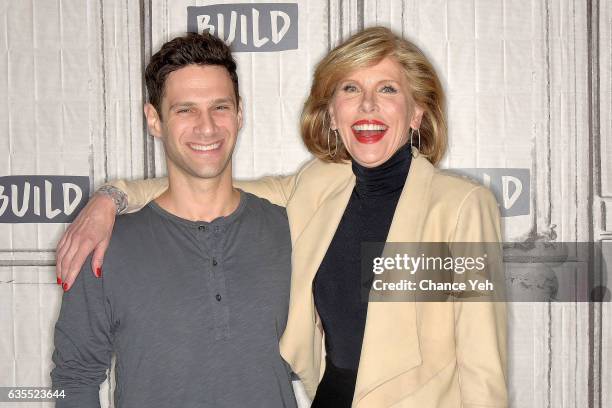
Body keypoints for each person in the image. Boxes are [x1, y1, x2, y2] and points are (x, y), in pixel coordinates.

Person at [56, 27, 507, 407]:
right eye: (351, 89)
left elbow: (483, 370)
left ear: (417, 112)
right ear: (333, 113)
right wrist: (110, 199)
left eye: (387, 89)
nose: (367, 105)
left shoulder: (461, 207)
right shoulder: (318, 186)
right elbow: (205, 183)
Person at [50, 32, 297, 407]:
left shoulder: (290, 231)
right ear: (154, 119)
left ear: (240, 112)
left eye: (220, 107)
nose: (207, 127)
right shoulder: (104, 246)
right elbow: (75, 377)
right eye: (185, 110)